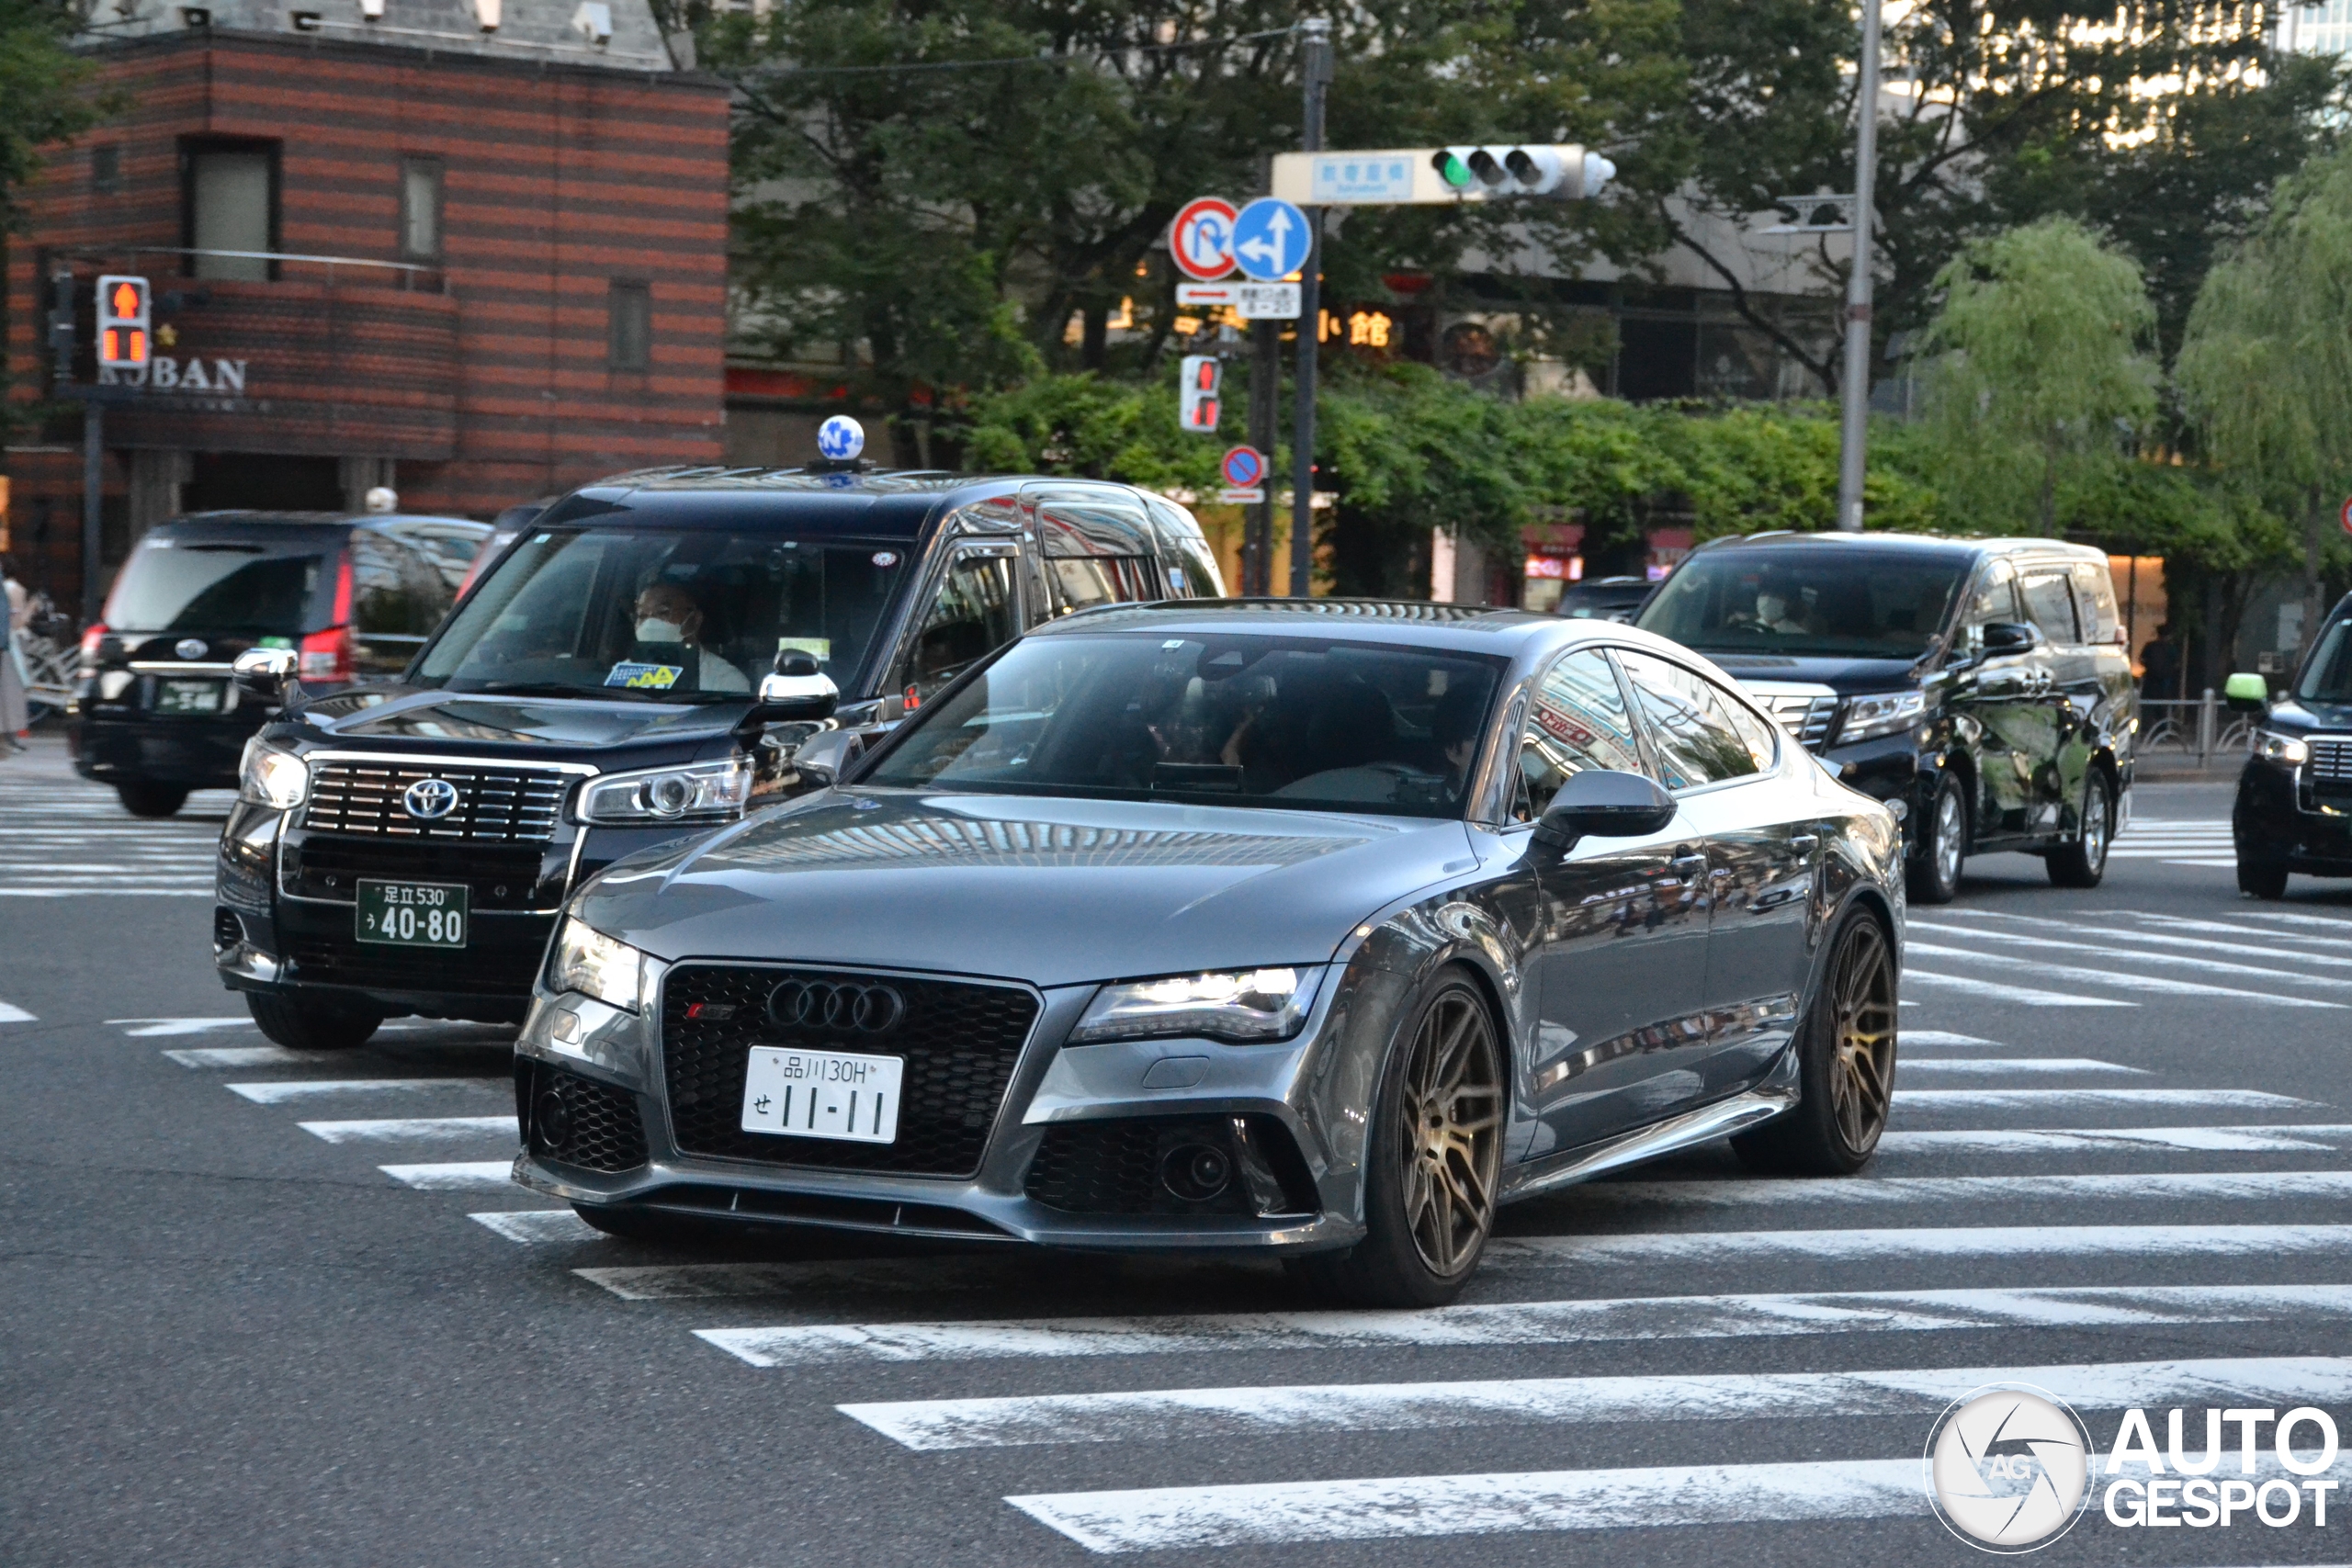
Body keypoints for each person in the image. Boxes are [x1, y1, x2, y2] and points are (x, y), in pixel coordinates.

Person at [631, 579, 748, 693]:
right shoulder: (627, 673)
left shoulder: (724, 680)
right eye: (642, 615)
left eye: (663, 612)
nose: (650, 623)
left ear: (695, 619)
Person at [0, 559, 28, 751]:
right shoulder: (14, 588)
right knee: (9, 692)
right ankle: (7, 736)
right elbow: (15, 621)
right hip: (7, 643)